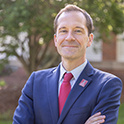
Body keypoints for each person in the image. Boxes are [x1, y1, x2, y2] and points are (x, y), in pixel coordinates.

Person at [13, 4, 122, 124]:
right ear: (56, 39)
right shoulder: (35, 82)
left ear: (89, 39)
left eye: (78, 31)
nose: (69, 37)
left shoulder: (107, 85)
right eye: (63, 31)